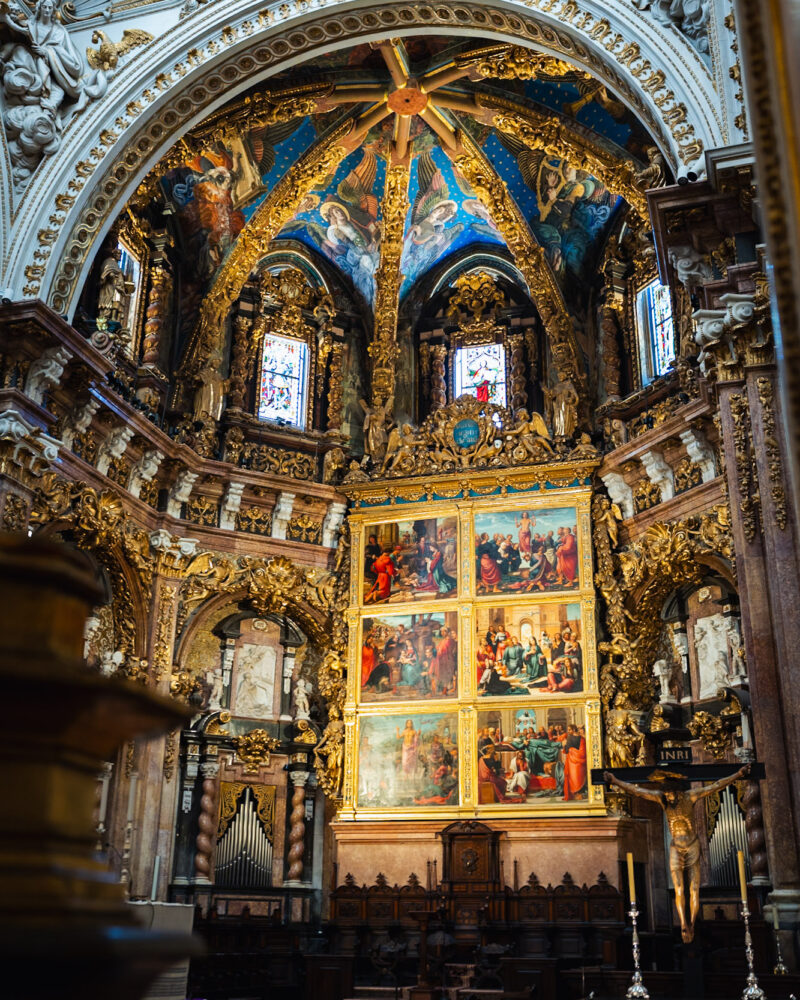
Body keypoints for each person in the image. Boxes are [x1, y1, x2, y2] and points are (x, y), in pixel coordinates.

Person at [604, 763, 751, 942]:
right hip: (676, 846)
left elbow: (716, 786)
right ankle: (683, 924)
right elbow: (639, 792)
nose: (668, 797)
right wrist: (615, 781)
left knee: (694, 888)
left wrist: (737, 775)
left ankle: (692, 923)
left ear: (677, 791)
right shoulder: (662, 799)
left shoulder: (690, 797)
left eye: (670, 793)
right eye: (665, 794)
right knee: (679, 888)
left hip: (692, 845)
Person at [562, 724, 587, 800]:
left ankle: (575, 794)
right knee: (579, 777)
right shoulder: (582, 738)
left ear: (573, 729)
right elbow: (583, 751)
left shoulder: (569, 738)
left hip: (572, 762)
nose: (568, 731)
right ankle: (579, 794)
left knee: (573, 778)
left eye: (569, 730)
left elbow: (566, 750)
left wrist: (564, 745)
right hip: (580, 762)